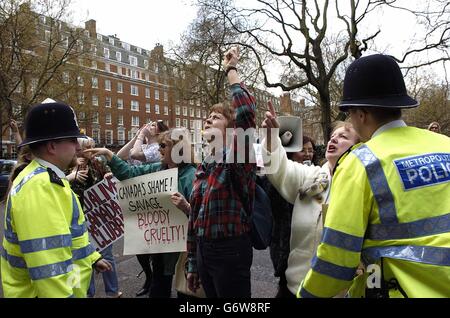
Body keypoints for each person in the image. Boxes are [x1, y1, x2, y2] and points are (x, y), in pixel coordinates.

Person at [298, 54, 450, 298]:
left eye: (349, 113)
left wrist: (305, 295)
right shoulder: (444, 144)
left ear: (361, 114)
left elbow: (336, 259)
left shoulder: (361, 162)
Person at [1, 100, 111, 298]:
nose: (78, 146)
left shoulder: (48, 179)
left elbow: (69, 234)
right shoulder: (40, 187)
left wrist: (92, 257)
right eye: (72, 139)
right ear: (52, 146)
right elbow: (49, 269)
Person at [86, 128, 197, 298]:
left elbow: (201, 215)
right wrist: (109, 155)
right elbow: (130, 174)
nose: (159, 149)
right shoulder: (157, 169)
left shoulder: (191, 176)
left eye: (163, 145)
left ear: (176, 149)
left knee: (186, 289)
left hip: (185, 248)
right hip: (162, 244)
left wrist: (186, 206)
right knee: (159, 287)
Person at [263, 111, 360, 297]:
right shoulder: (311, 175)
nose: (333, 140)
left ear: (359, 146)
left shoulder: (361, 185)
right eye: (332, 136)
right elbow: (281, 170)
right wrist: (271, 139)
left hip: (337, 292)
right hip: (295, 287)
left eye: (343, 137)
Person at [186, 47, 257, 298]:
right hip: (205, 252)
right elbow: (194, 220)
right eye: (207, 117)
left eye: (215, 117)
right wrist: (194, 263)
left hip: (231, 250)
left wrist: (231, 69)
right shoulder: (204, 166)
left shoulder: (238, 157)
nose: (207, 120)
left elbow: (247, 113)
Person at [266, 135, 319, 297]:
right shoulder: (283, 177)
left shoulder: (318, 174)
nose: (308, 154)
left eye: (311, 150)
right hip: (284, 240)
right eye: (303, 150)